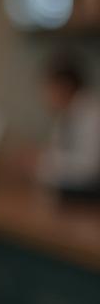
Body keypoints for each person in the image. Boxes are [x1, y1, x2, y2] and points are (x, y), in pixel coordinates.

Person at [34, 52, 100, 198]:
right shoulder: (65, 114)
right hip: (69, 194)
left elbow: (90, 168)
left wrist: (41, 161)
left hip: (90, 199)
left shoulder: (92, 113)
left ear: (64, 86)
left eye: (49, 88)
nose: (45, 96)